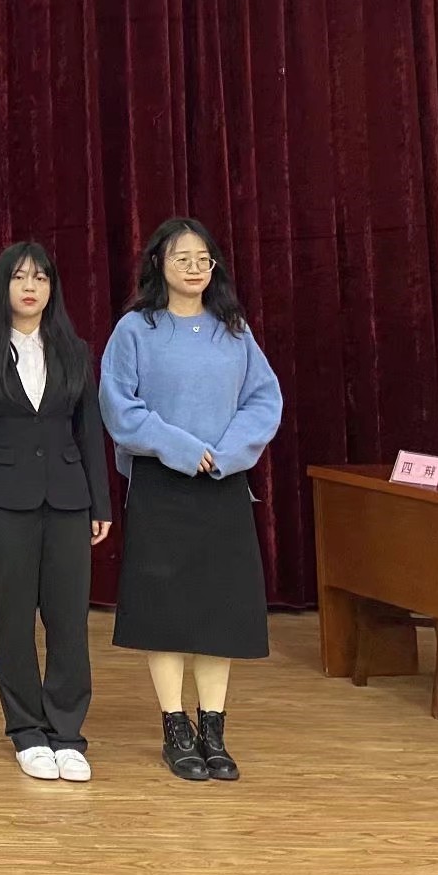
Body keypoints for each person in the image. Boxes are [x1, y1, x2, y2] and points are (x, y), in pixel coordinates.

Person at [100, 217, 281, 783]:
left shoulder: (234, 329)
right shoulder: (135, 329)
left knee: (217, 610)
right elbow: (119, 407)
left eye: (204, 259)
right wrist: (181, 449)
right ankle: (175, 728)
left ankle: (214, 731)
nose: (195, 269)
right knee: (166, 613)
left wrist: (225, 453)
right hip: (162, 485)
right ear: (159, 264)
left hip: (222, 482)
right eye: (183, 259)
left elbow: (264, 400)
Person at [0, 241, 110, 783]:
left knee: (69, 619)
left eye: (40, 278)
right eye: (20, 277)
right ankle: (26, 731)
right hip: (4, 500)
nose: (30, 286)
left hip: (69, 498)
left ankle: (67, 733)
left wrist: (100, 501)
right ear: (4, 286)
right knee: (13, 620)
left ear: (51, 289)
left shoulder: (75, 349)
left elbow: (90, 430)